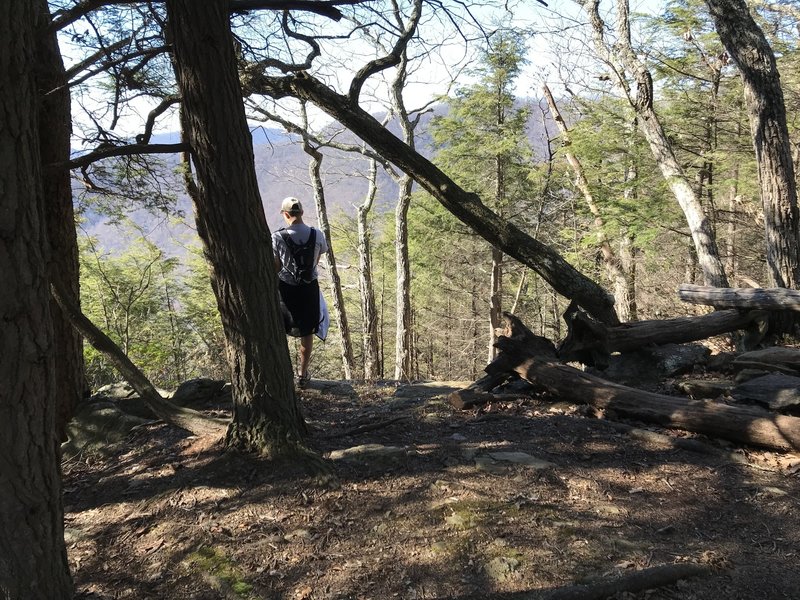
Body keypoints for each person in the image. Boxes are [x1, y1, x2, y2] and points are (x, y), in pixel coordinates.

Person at [272, 197, 329, 388]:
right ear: (302, 213)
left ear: (285, 214)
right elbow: (317, 259)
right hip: (309, 288)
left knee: (282, 329)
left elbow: (276, 266)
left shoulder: (277, 237)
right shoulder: (317, 234)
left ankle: (282, 373)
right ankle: (302, 375)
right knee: (307, 332)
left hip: (286, 290)